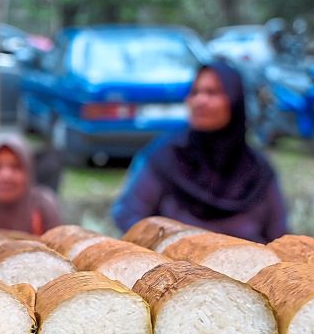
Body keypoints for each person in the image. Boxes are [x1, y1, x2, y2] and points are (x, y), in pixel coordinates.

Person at [111, 61, 287, 243]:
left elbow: (280, 236)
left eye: (212, 92)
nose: (200, 101)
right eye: (194, 92)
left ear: (235, 100)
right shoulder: (166, 157)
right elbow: (128, 215)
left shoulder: (258, 171)